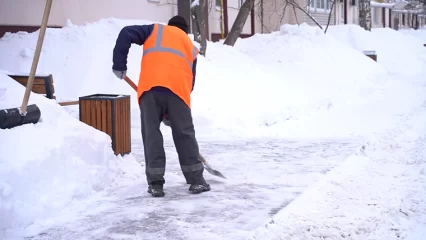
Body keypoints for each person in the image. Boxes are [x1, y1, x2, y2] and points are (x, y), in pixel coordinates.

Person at [111, 16, 210, 197]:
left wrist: (119, 64)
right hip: (178, 93)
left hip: (150, 90)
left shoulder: (155, 30)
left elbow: (126, 33)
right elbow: (191, 82)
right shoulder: (191, 47)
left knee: (152, 135)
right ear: (184, 30)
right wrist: (175, 111)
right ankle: (197, 180)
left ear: (170, 26)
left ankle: (156, 184)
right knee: (184, 134)